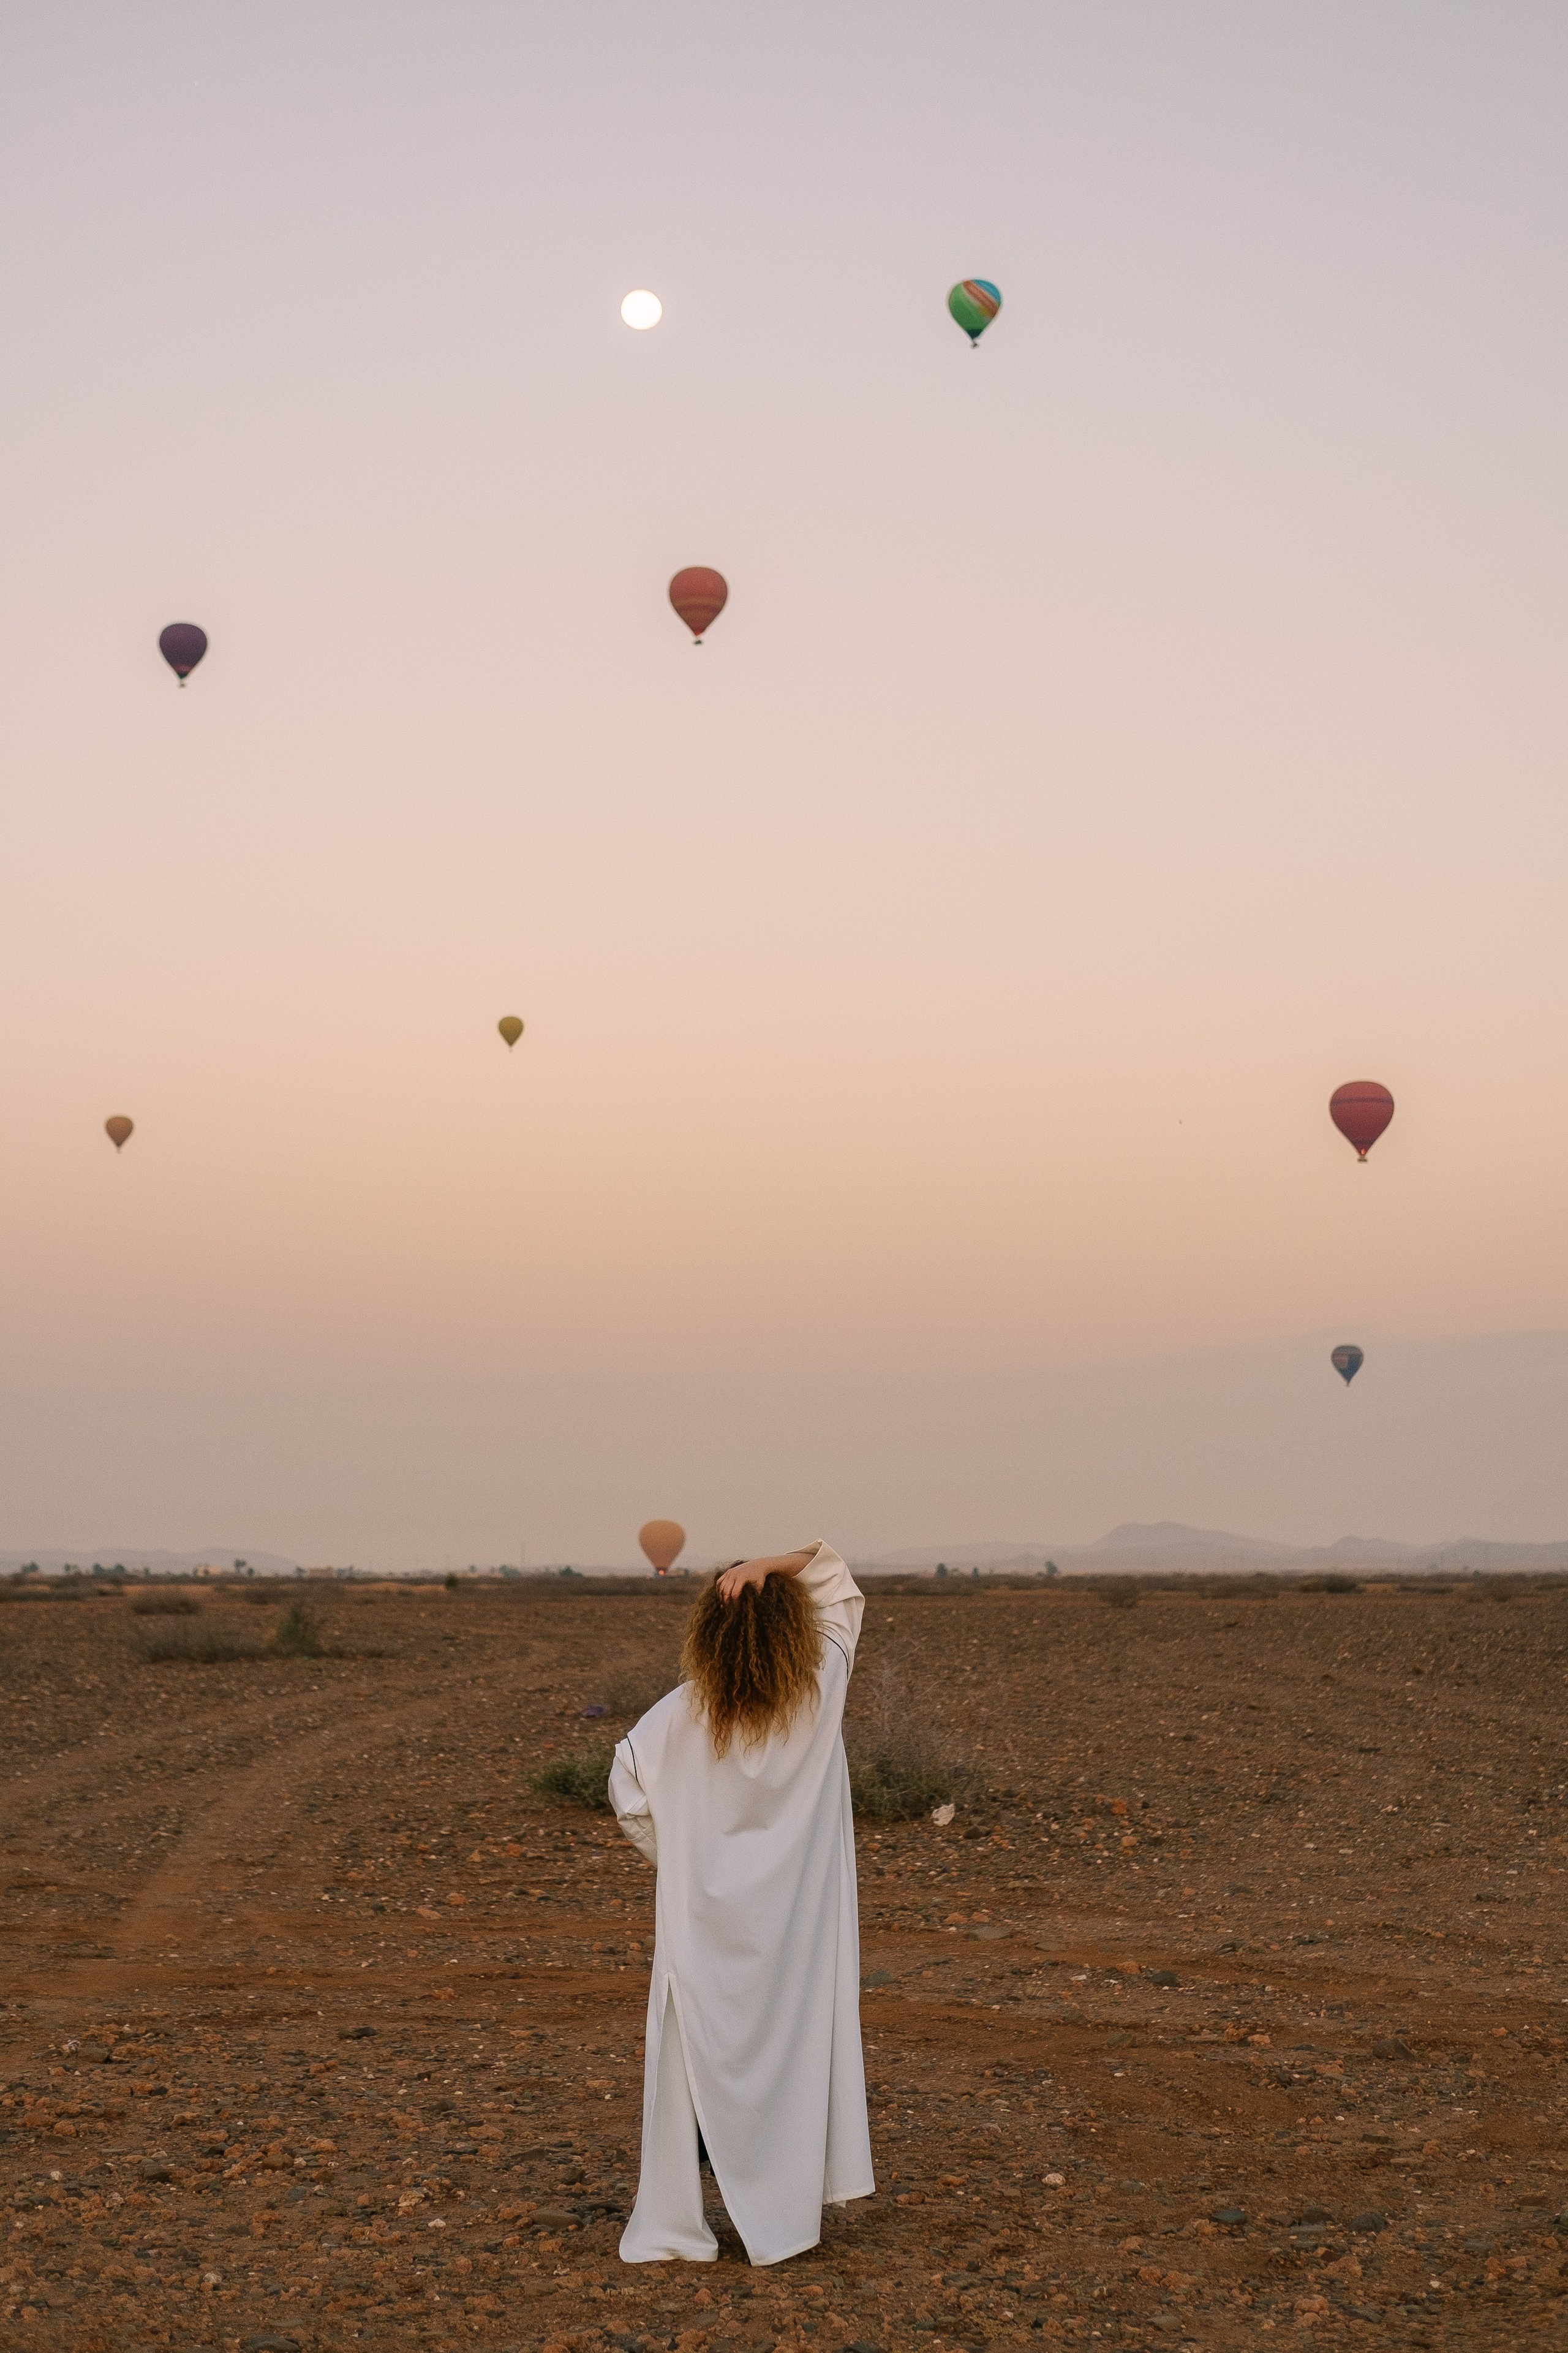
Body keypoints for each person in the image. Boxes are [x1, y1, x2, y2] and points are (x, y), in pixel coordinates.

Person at [611, 1541, 874, 2268]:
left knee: (690, 2058)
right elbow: (835, 1576)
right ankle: (782, 2221)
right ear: (792, 1626)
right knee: (790, 2055)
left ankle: (674, 2224)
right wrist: (767, 1565)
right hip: (795, 1929)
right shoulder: (822, 1686)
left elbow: (627, 1791)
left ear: (708, 1631)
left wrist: (683, 1861)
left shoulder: (675, 1715)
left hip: (701, 1924)